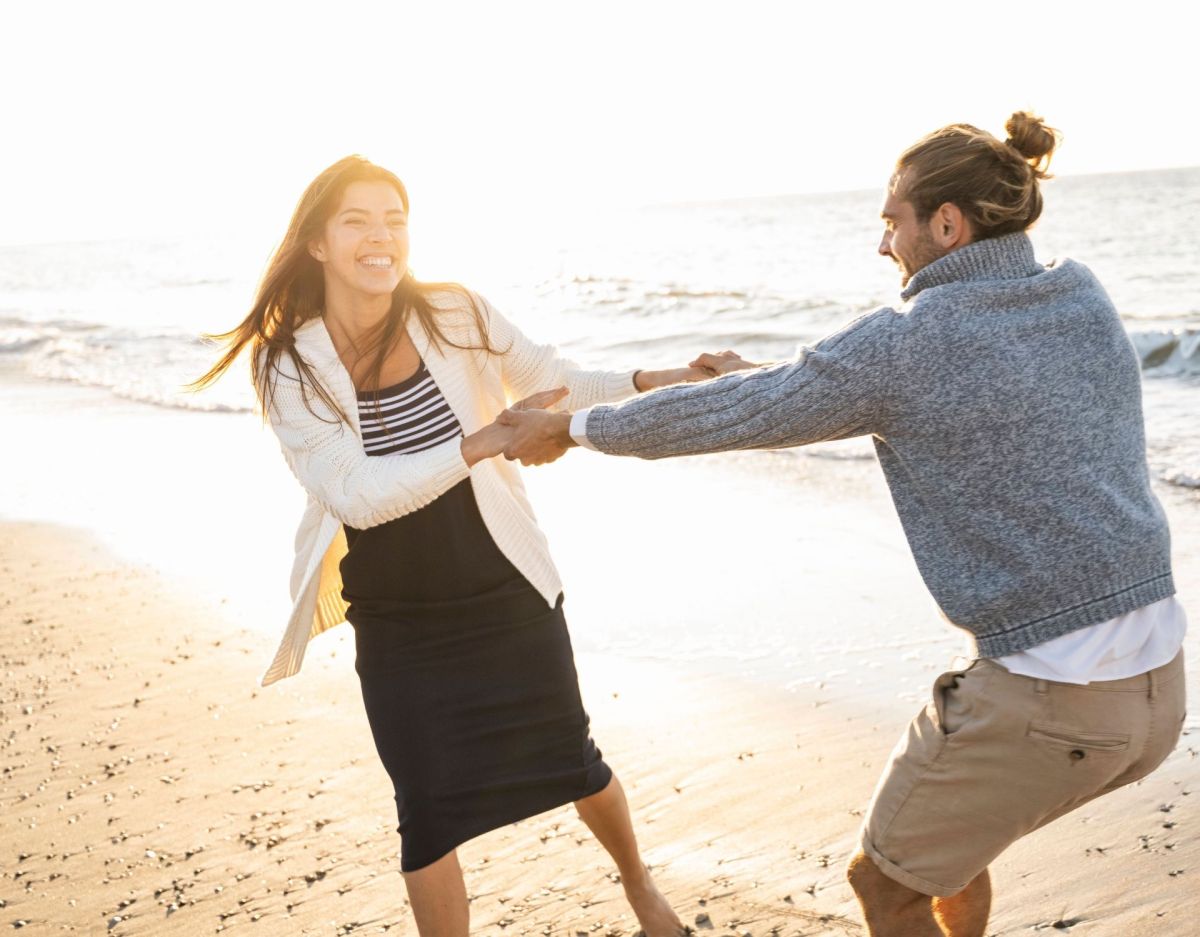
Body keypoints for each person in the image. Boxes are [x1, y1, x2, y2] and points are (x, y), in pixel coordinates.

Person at [496, 113, 1188, 936]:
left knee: (885, 884)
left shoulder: (909, 341)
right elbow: (925, 389)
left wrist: (572, 427)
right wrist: (778, 381)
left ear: (947, 223)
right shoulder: (1080, 292)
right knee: (950, 854)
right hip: (1160, 691)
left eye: (892, 220)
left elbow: (761, 409)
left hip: (1055, 696)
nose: (884, 242)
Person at [191, 155, 706, 936]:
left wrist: (669, 375)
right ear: (319, 244)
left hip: (503, 584)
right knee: (425, 809)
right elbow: (355, 494)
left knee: (575, 759)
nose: (381, 236)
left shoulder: (452, 311)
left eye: (395, 218)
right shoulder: (289, 363)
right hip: (399, 616)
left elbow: (556, 378)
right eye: (357, 220)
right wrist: (481, 441)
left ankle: (640, 887)